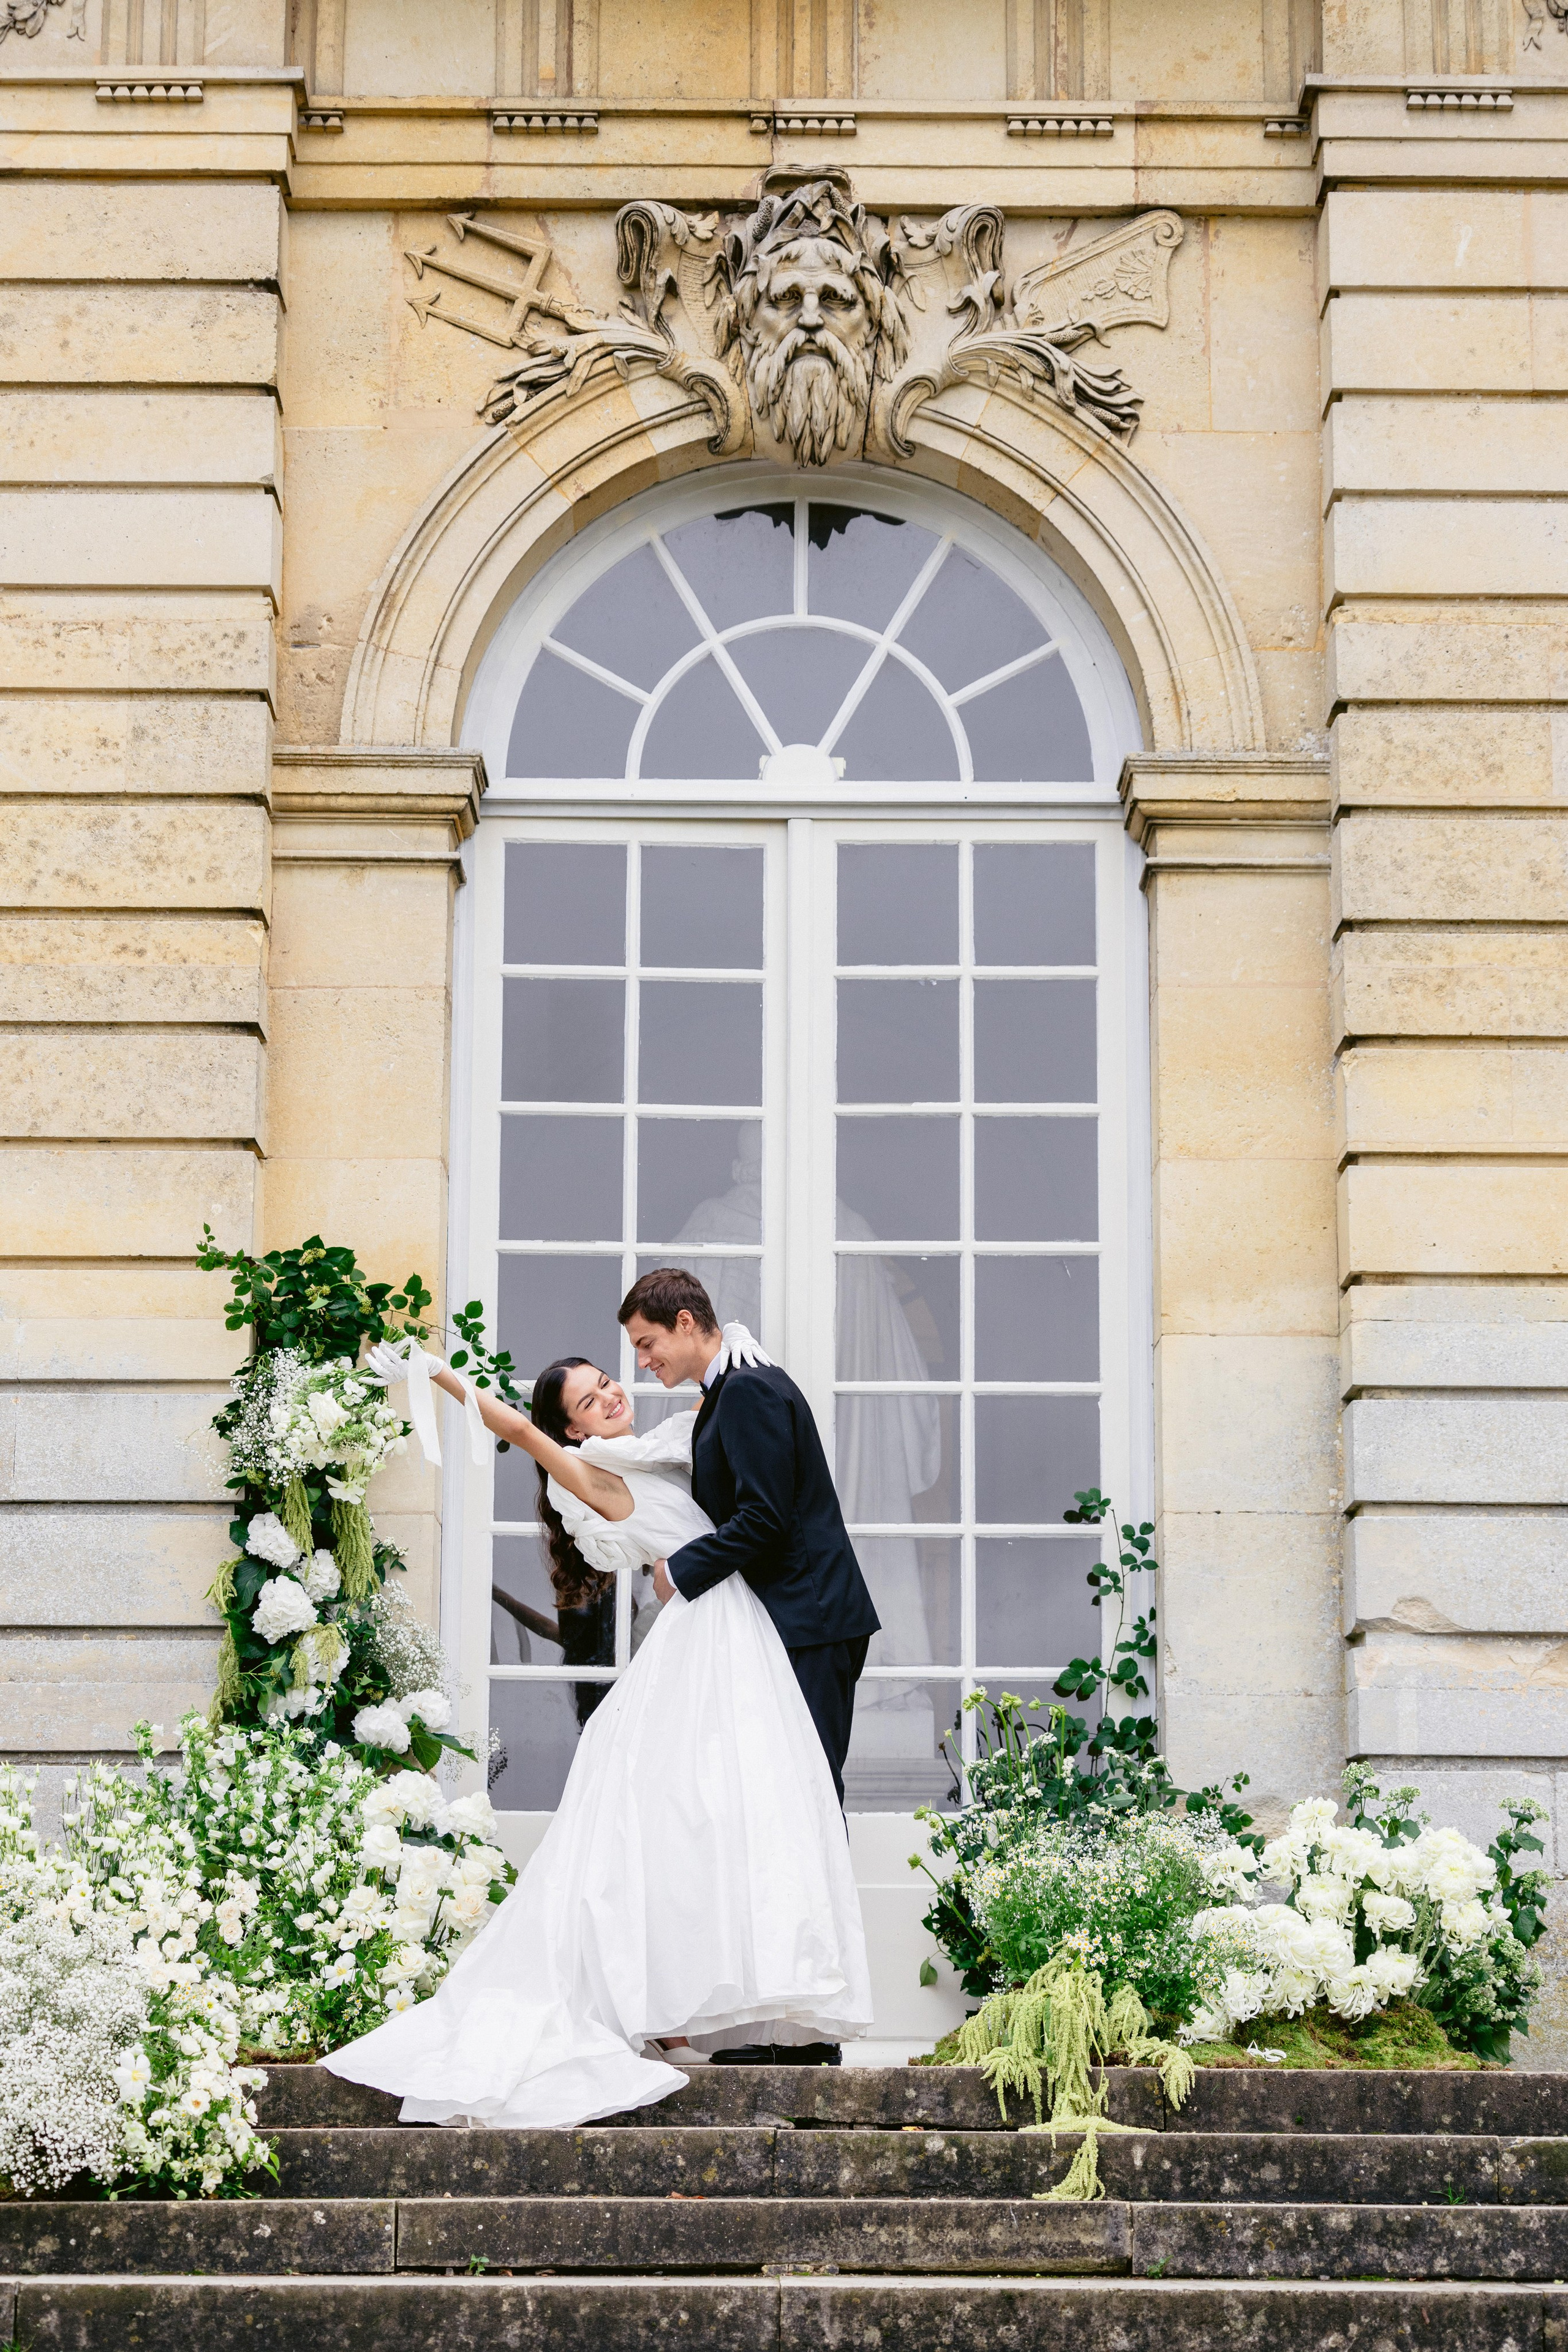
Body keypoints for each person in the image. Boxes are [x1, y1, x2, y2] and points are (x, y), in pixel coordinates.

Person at [319, 1331, 871, 2128]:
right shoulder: (595, 1474)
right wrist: (436, 1372)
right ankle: (667, 2001)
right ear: (574, 1431)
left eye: (609, 1381)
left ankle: (757, 2010)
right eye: (588, 1400)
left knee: (743, 1819)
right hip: (707, 1644)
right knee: (685, 1821)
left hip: (747, 1634)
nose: (611, 1394)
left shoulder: (677, 1439)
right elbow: (516, 1429)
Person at [621, 1267, 881, 1812]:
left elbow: (765, 1518)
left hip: (808, 1620)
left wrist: (680, 1571)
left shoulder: (748, 1391)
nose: (643, 1361)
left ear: (686, 1322)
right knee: (784, 1793)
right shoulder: (730, 1387)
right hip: (790, 1620)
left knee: (810, 1792)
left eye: (648, 1343)